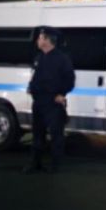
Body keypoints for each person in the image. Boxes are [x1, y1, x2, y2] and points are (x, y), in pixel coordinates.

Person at [23, 26, 75, 174]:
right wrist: (31, 86)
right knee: (37, 134)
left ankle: (55, 166)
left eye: (40, 38)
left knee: (56, 135)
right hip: (38, 102)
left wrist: (61, 93)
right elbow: (35, 76)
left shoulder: (62, 59)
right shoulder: (39, 57)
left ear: (47, 40)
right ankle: (35, 163)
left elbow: (70, 80)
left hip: (53, 102)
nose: (37, 40)